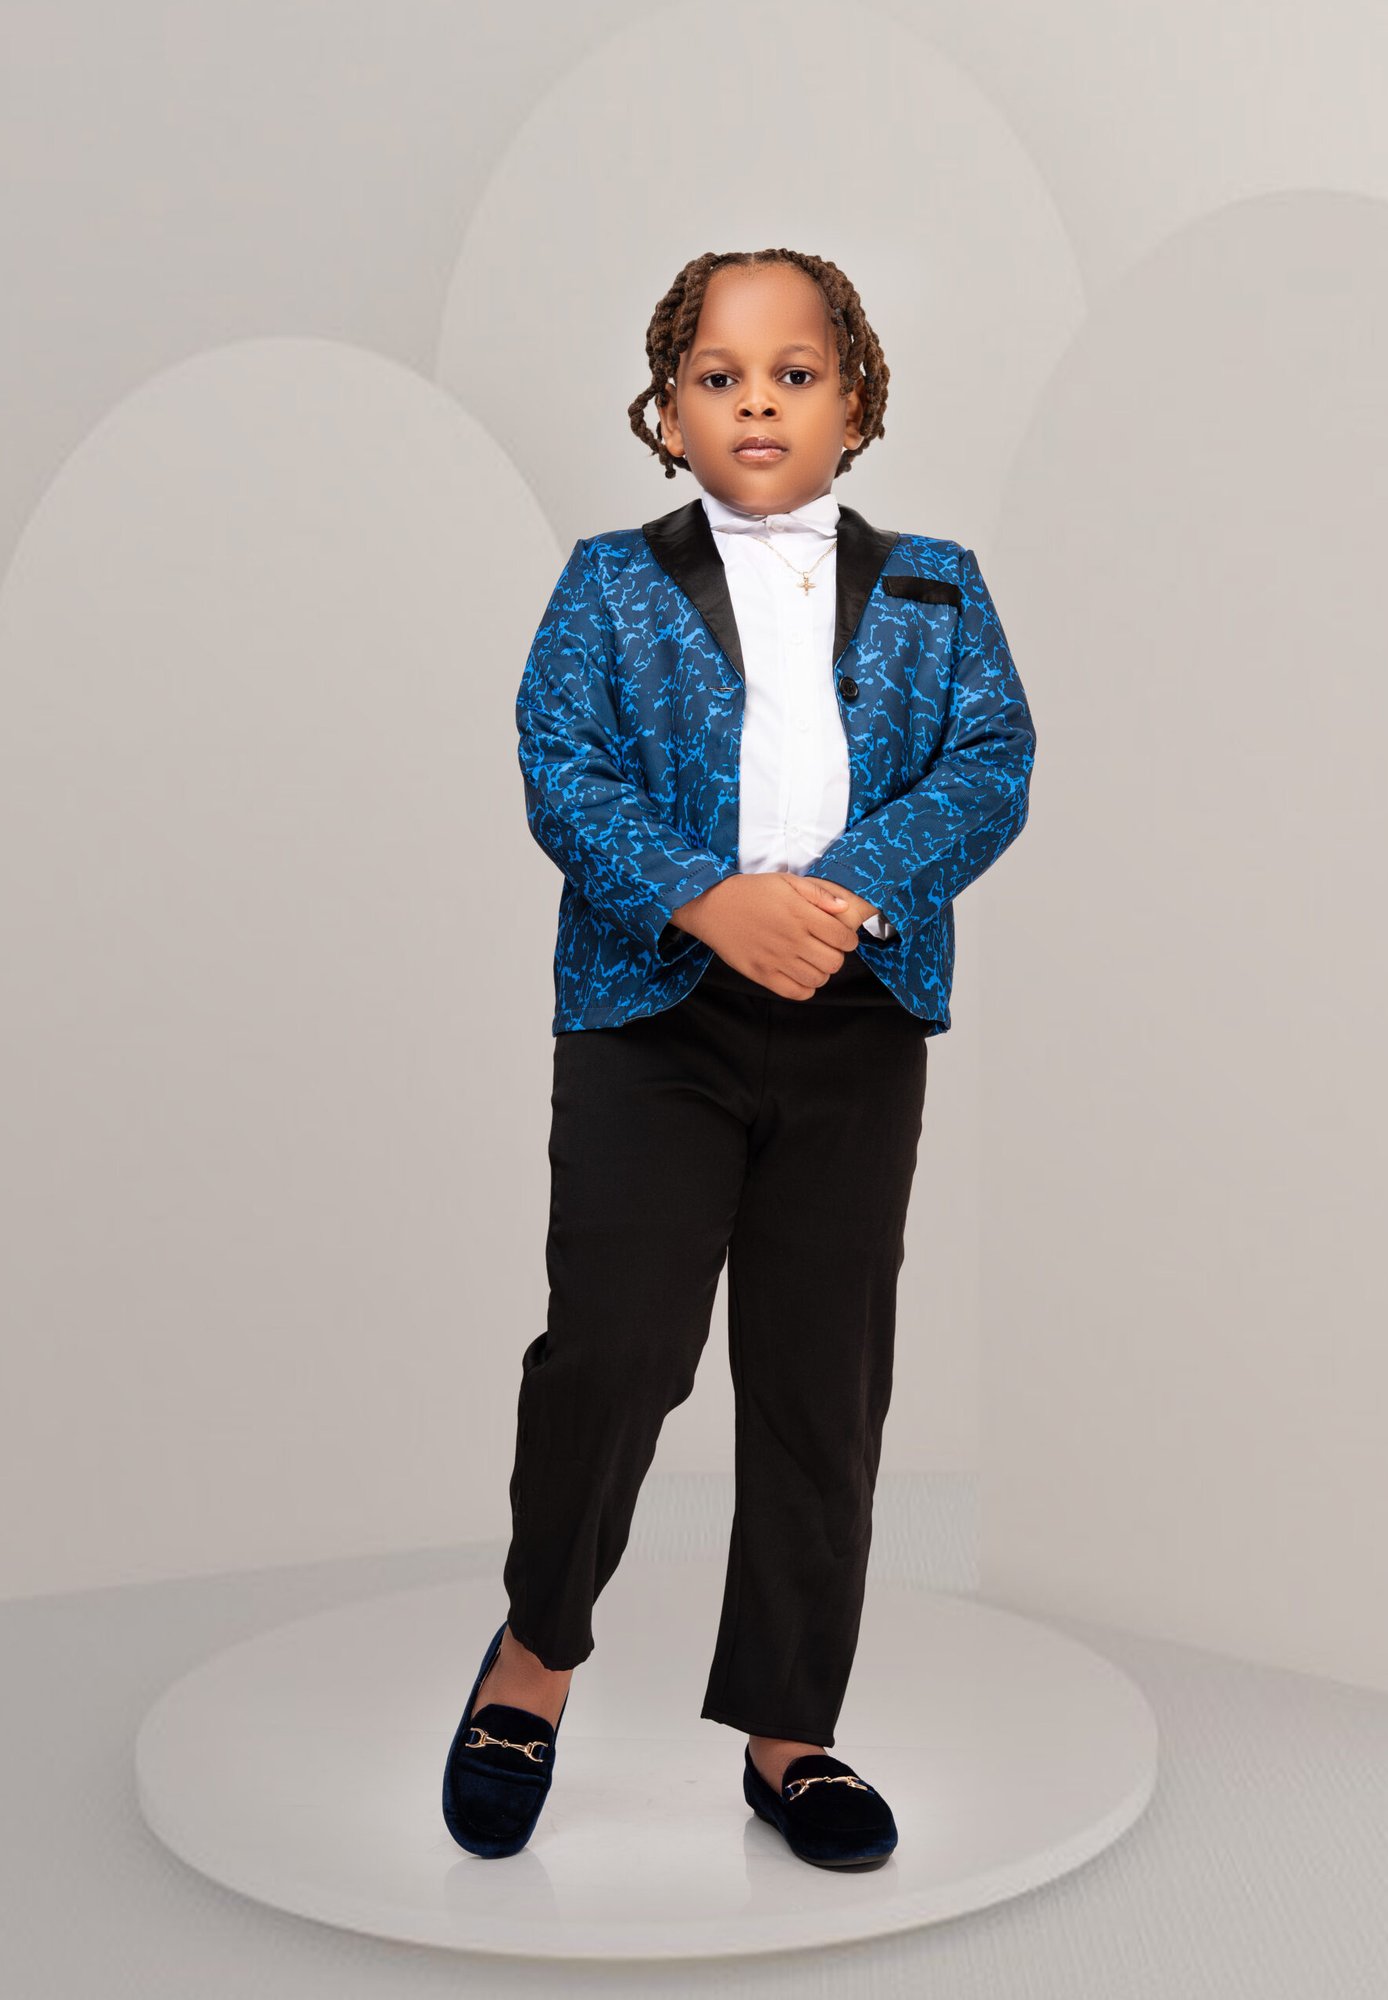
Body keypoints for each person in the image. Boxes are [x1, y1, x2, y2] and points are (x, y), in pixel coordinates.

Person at [442, 247, 1036, 1868]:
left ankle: (792, 1732)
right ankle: (533, 1657)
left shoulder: (938, 585)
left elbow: (990, 763)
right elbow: (562, 764)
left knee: (821, 1376)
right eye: (719, 376)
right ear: (667, 412)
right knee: (616, 1345)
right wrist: (709, 902)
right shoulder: (606, 585)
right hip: (655, 1014)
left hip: (855, 1011)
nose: (756, 402)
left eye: (794, 373)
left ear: (856, 404)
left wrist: (841, 901)